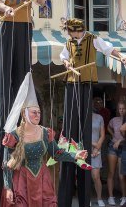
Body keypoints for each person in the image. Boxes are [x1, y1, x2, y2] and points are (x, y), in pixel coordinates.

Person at [0, 0, 48, 206]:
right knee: (7, 66)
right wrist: (6, 9)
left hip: (24, 27)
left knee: (23, 68)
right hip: (8, 25)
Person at [58, 18, 126, 207]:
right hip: (72, 82)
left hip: (86, 81)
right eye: (71, 33)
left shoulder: (93, 39)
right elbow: (63, 56)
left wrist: (120, 56)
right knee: (71, 113)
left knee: (84, 114)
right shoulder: (68, 42)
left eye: (73, 32)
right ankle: (70, 136)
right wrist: (66, 64)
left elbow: (107, 49)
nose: (72, 35)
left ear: (79, 31)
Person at [1, 72, 88, 207]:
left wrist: (76, 155)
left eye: (39, 112)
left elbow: (57, 153)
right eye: (34, 112)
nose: (38, 115)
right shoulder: (14, 136)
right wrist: (7, 188)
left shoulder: (45, 133)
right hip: (21, 180)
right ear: (24, 114)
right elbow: (6, 163)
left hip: (42, 178)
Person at [107, 101, 126, 206]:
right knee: (111, 172)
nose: (121, 110)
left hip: (123, 148)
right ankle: (110, 197)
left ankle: (124, 197)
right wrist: (113, 134)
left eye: (123, 108)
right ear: (117, 110)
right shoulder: (113, 120)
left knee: (121, 175)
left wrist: (120, 140)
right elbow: (108, 127)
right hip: (112, 147)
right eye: (120, 108)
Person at [91, 107, 105, 206]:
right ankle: (86, 199)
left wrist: (97, 148)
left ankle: (99, 198)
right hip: (83, 149)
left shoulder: (99, 117)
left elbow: (102, 135)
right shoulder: (81, 117)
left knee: (96, 176)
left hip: (96, 150)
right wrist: (92, 143)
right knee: (84, 177)